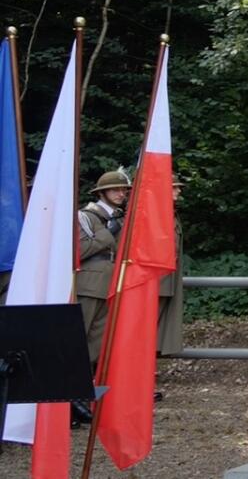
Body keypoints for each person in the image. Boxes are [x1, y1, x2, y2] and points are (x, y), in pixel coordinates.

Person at [74, 169, 130, 426]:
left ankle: (82, 396)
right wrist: (108, 233)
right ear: (102, 193)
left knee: (96, 345)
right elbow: (80, 250)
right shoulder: (86, 216)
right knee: (78, 342)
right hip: (88, 284)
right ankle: (71, 399)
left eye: (123, 189)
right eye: (116, 189)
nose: (121, 193)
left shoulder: (117, 217)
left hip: (108, 284)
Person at [158, 176, 186, 358]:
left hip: (167, 278)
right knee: (148, 327)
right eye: (174, 187)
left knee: (156, 327)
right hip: (156, 280)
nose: (179, 191)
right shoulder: (156, 213)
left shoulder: (169, 213)